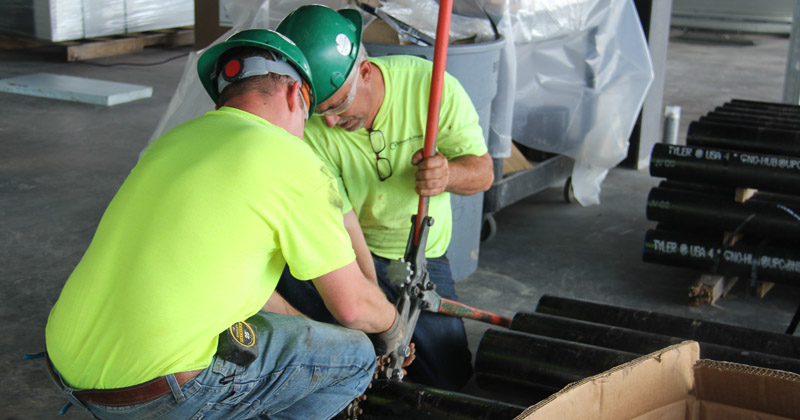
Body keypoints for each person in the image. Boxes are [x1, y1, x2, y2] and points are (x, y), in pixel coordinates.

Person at [44, 29, 407, 420]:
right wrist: (394, 330)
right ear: (296, 95)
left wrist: (311, 334)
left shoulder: (174, 141)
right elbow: (353, 307)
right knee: (353, 358)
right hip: (156, 393)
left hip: (69, 366)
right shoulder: (290, 159)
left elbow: (249, 293)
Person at [274, 5, 494, 391]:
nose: (329, 122)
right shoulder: (308, 127)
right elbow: (343, 220)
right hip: (350, 248)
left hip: (420, 251)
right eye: (319, 109)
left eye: (339, 106)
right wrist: (372, 297)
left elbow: (484, 173)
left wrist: (449, 174)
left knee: (449, 381)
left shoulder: (430, 88)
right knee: (350, 360)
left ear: (365, 71)